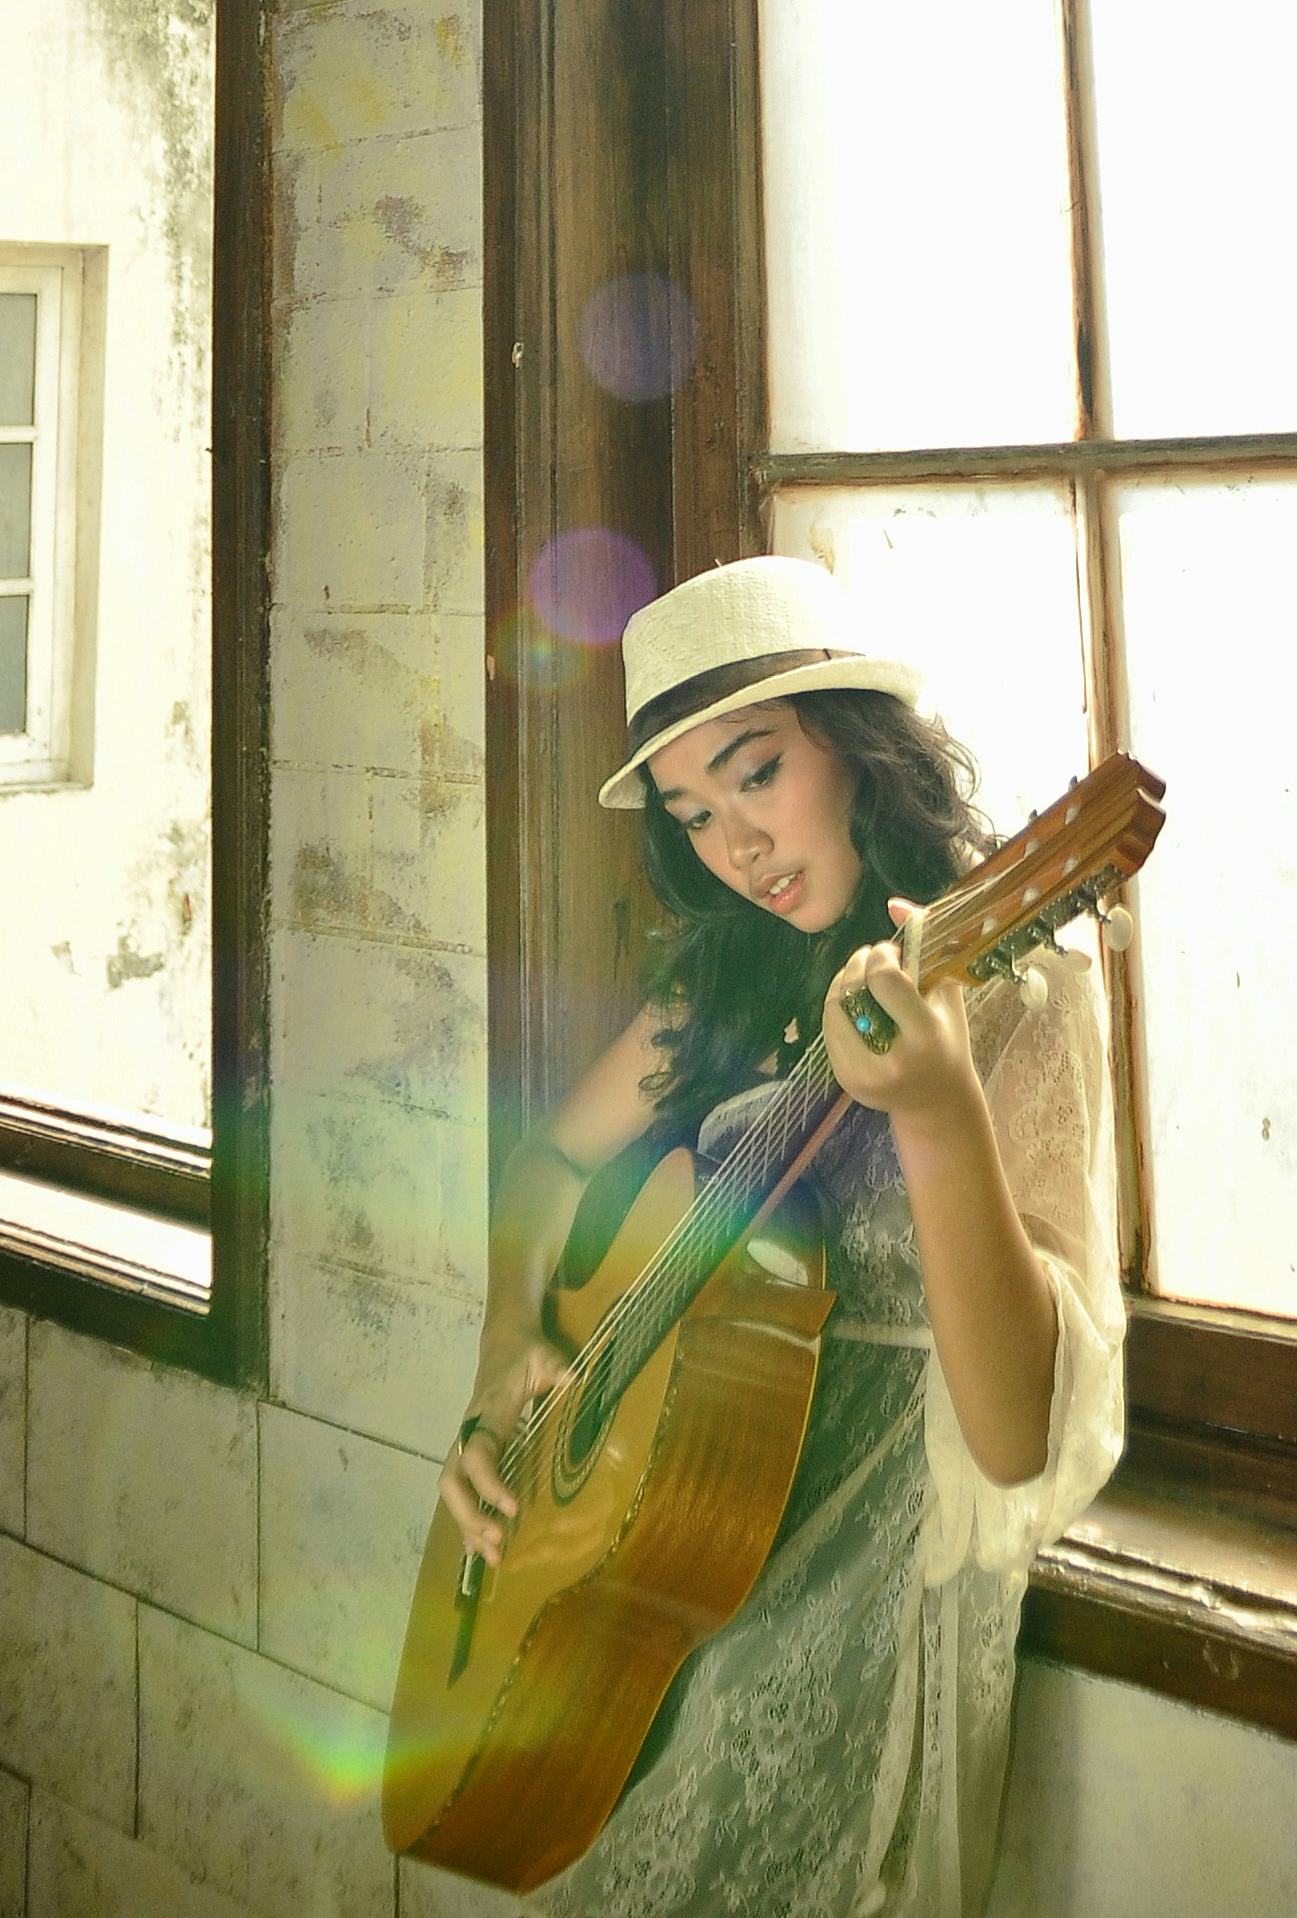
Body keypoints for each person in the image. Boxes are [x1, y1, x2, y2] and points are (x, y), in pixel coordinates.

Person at [436, 555, 1124, 1918]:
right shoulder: (725, 984)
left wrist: (934, 1112)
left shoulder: (1014, 998)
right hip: (665, 1573)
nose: (735, 845)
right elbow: (547, 1160)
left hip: (851, 1611)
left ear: (860, 751)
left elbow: (1016, 1440)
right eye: (693, 814)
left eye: (757, 773)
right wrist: (505, 1352)